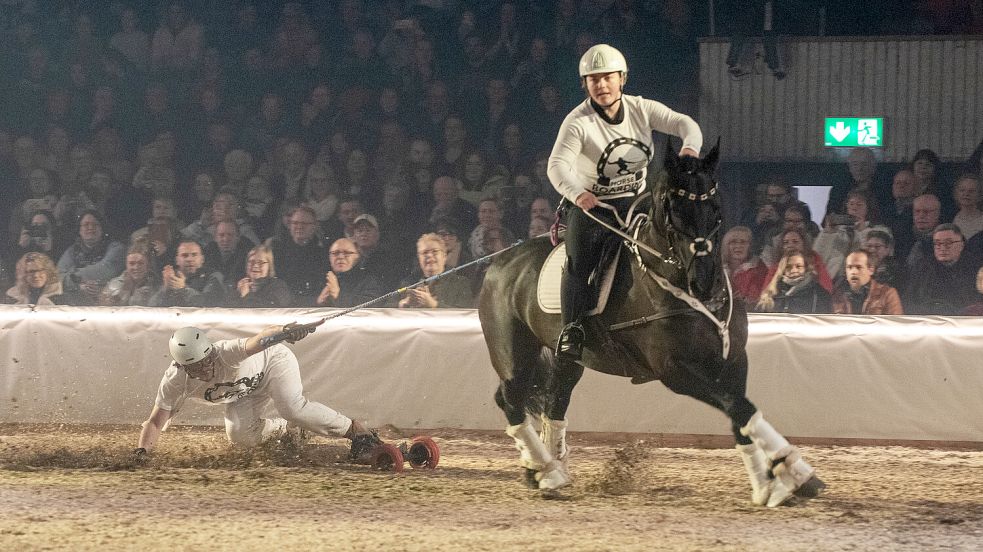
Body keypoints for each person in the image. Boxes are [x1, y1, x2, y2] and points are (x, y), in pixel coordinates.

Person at [547, 44, 702, 362]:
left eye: (608, 78)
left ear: (622, 79)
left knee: (676, 235)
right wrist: (578, 194)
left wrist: (689, 148)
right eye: (594, 79)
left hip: (638, 201)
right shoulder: (578, 122)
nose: (602, 85)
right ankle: (571, 329)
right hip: (594, 206)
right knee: (579, 261)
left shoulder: (641, 108)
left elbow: (684, 123)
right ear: (585, 84)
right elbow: (557, 166)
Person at [135, 325, 383, 459]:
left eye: (208, 359)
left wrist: (285, 331)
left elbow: (260, 339)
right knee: (240, 437)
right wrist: (142, 452)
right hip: (243, 391)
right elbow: (155, 422)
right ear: (182, 367)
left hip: (272, 363)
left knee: (292, 408)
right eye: (197, 367)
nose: (207, 368)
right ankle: (289, 430)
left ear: (211, 351)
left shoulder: (226, 352)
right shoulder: (175, 381)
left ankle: (357, 431)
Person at [903, 224, 980, 315]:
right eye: (938, 243)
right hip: (928, 318)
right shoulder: (923, 267)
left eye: (948, 243)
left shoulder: (975, 267)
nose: (943, 248)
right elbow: (909, 300)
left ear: (961, 245)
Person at [57, 210, 126, 306]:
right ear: (79, 230)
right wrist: (79, 286)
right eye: (86, 225)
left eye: (95, 224)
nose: (90, 228)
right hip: (77, 304)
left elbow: (106, 269)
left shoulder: (116, 248)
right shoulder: (71, 251)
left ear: (102, 228)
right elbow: (58, 277)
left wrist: (73, 277)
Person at [398, 233, 474, 308]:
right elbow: (390, 307)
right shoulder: (407, 284)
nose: (429, 255)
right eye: (425, 252)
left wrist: (433, 304)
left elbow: (465, 313)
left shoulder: (460, 284)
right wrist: (403, 304)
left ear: (444, 256)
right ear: (419, 258)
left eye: (435, 251)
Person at [149, 239, 226, 307]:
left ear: (202, 259)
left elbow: (210, 303)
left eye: (194, 255)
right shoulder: (171, 277)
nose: (189, 259)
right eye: (184, 255)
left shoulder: (213, 276)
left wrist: (184, 289)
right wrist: (166, 288)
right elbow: (151, 306)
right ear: (177, 260)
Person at [315, 238, 384, 308]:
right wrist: (318, 302)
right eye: (335, 253)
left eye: (347, 253)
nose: (340, 257)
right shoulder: (320, 278)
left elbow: (372, 305)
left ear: (357, 256)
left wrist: (338, 295)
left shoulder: (370, 281)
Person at [755, 252, 832, 314]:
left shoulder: (820, 294)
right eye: (788, 267)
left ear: (806, 268)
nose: (793, 270)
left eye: (798, 266)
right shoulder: (770, 294)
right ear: (782, 270)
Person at [832, 250, 903, 315]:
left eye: (859, 267)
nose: (853, 272)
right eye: (849, 267)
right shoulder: (838, 294)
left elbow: (895, 323)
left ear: (871, 270)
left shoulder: (887, 294)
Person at [722, 226, 769, 308]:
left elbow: (756, 299)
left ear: (750, 246)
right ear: (725, 245)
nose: (738, 246)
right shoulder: (717, 268)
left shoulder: (760, 268)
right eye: (733, 242)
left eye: (743, 242)